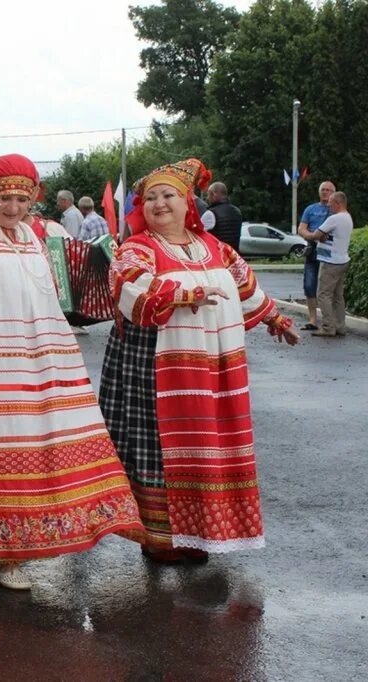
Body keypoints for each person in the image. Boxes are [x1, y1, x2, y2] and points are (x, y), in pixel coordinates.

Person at [0, 154, 144, 590]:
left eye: (21, 198)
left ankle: (15, 549)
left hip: (44, 359)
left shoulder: (39, 237)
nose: (13, 207)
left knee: (41, 445)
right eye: (4, 198)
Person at [99, 159, 299, 564]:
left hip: (213, 366)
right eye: (151, 198)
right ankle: (161, 538)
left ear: (186, 201)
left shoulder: (215, 247)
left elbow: (245, 287)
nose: (159, 203)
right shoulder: (137, 247)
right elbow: (127, 285)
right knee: (159, 447)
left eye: (167, 195)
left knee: (208, 444)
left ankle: (201, 533)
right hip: (154, 366)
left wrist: (276, 318)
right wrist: (181, 296)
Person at [308, 191, 353, 337]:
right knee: (338, 296)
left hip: (331, 262)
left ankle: (328, 327)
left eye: (331, 202)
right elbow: (331, 237)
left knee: (323, 295)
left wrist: (313, 235)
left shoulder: (334, 218)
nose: (328, 205)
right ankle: (340, 326)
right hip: (342, 260)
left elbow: (316, 234)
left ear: (338, 203)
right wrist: (323, 237)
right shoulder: (347, 218)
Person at [296, 181, 336, 331]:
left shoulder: (336, 210)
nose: (325, 192)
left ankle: (329, 320)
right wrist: (313, 236)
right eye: (323, 190)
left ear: (334, 193)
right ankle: (312, 320)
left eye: (328, 190)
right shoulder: (311, 209)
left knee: (327, 288)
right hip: (312, 250)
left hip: (329, 251)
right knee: (309, 285)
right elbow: (301, 228)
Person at [200, 181, 242, 251]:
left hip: (218, 256)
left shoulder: (210, 213)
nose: (208, 198)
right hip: (234, 256)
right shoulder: (237, 211)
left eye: (208, 194)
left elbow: (198, 235)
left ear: (213, 194)